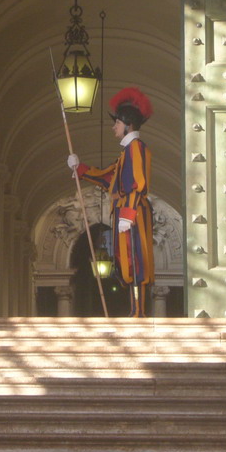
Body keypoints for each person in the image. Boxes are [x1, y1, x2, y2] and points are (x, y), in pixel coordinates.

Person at [68, 87, 154, 317]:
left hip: (132, 212)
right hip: (126, 212)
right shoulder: (126, 153)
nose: (113, 127)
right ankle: (135, 309)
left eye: (116, 123)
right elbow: (109, 178)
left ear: (127, 124)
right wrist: (81, 168)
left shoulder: (136, 148)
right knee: (127, 262)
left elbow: (138, 182)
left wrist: (128, 213)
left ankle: (139, 311)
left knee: (136, 261)